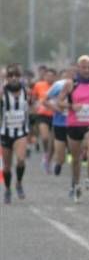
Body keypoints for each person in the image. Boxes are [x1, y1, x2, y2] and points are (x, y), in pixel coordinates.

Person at [59, 56, 89, 202]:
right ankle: (76, 185)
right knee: (76, 159)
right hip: (74, 124)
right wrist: (71, 106)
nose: (87, 70)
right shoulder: (71, 84)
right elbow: (59, 102)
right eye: (84, 67)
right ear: (78, 68)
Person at [1, 64, 30, 203]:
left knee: (20, 160)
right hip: (5, 132)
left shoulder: (26, 91)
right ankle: (7, 189)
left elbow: (31, 109)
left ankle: (18, 183)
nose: (14, 78)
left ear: (20, 77)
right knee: (6, 166)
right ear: (7, 78)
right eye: (10, 76)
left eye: (16, 75)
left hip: (21, 132)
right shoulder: (2, 92)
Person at [30, 67, 55, 174]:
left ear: (55, 77)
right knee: (45, 137)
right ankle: (45, 153)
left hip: (55, 115)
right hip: (42, 115)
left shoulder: (58, 86)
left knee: (53, 142)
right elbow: (33, 98)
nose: (49, 77)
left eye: (51, 75)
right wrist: (34, 106)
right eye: (47, 75)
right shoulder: (39, 85)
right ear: (44, 76)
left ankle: (48, 161)